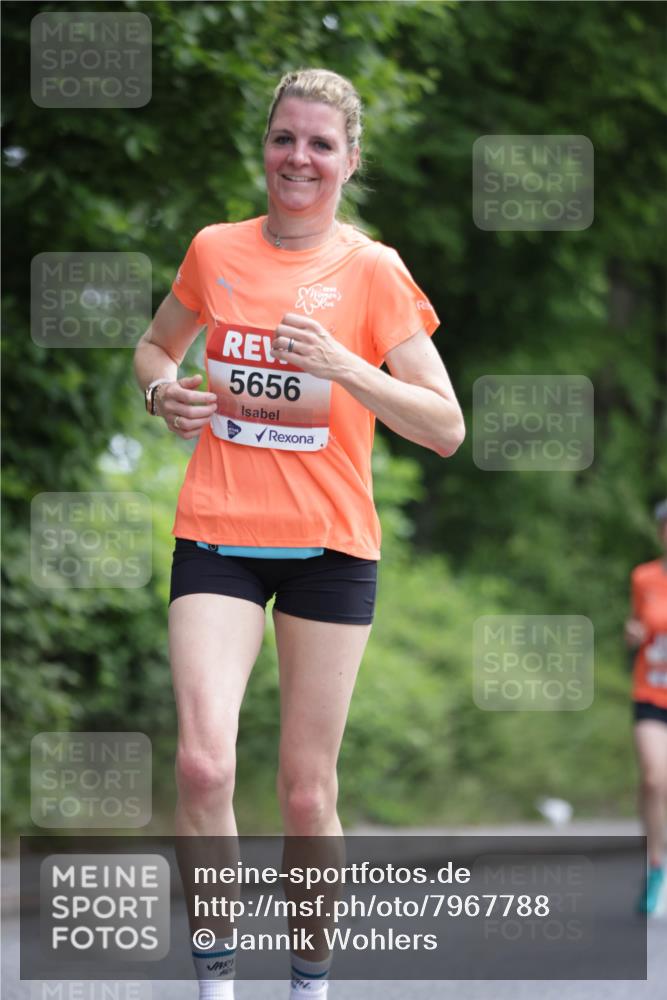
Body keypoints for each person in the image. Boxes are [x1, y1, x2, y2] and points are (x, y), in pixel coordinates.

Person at [134, 67, 465, 999]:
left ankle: (311, 980)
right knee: (203, 762)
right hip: (218, 536)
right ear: (266, 146)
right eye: (286, 138)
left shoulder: (372, 271)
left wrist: (346, 366)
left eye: (321, 144)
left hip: (329, 550)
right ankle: (216, 983)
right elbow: (156, 346)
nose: (299, 158)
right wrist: (162, 390)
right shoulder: (215, 250)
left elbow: (443, 427)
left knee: (304, 795)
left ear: (349, 161)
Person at [624, 498, 667, 916]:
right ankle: (656, 865)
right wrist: (633, 634)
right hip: (651, 692)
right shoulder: (645, 577)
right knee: (655, 779)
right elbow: (638, 626)